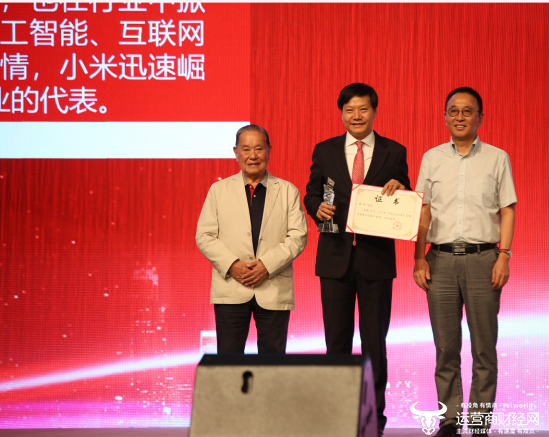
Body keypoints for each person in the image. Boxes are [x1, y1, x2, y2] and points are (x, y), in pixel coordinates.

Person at [304, 83, 411, 435]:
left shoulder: (394, 151)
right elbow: (313, 193)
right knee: (336, 341)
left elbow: (406, 197)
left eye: (363, 109)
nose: (356, 116)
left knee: (374, 343)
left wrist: (401, 191)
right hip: (334, 257)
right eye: (349, 110)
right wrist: (316, 208)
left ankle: (373, 419)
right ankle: (337, 417)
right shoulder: (325, 150)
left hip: (375, 260)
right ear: (341, 113)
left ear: (374, 112)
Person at [413, 87, 517, 437]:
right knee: (446, 349)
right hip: (439, 261)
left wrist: (503, 256)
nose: (459, 117)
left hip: (484, 260)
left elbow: (507, 209)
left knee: (484, 349)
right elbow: (423, 211)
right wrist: (418, 258)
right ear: (445, 117)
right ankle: (450, 420)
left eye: (467, 111)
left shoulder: (497, 158)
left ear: (480, 118)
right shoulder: (432, 158)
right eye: (453, 111)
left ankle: (480, 422)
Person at [196, 125, 307, 354]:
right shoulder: (218, 190)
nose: (252, 155)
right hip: (231, 287)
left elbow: (298, 236)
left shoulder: (288, 191)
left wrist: (267, 266)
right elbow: (205, 236)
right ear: (236, 152)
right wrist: (232, 265)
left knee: (272, 363)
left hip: (274, 286)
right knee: (229, 362)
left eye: (259, 148)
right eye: (246, 149)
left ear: (269, 151)